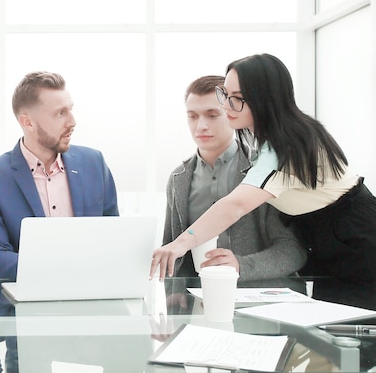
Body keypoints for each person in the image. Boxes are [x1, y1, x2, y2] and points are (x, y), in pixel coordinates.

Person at [151, 54, 376, 308]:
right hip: (331, 246)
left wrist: (181, 243)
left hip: (358, 242)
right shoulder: (274, 139)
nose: (227, 107)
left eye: (236, 99)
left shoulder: (287, 145)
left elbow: (235, 206)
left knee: (356, 336)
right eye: (225, 94)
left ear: (263, 99)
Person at [0, 71, 119, 280]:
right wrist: (60, 268)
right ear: (28, 123)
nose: (72, 122)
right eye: (60, 114)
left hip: (93, 298)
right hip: (26, 306)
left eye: (71, 110)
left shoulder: (94, 164)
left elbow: (114, 239)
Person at [163, 75, 306, 281]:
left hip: (262, 299)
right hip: (198, 299)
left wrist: (240, 265)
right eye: (192, 116)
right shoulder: (178, 179)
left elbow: (293, 251)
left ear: (231, 114)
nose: (200, 126)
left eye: (212, 115)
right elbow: (171, 248)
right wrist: (174, 291)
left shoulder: (264, 169)